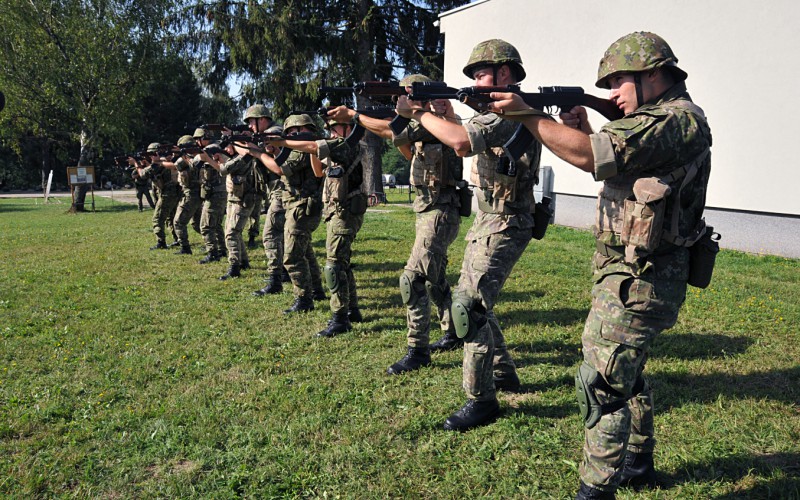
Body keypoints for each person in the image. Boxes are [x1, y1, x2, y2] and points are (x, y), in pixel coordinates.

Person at [487, 32, 713, 499]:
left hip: (643, 278)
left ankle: (597, 488)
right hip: (629, 271)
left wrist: (526, 114)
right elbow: (607, 160)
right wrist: (583, 128)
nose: (612, 94)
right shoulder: (652, 120)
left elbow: (592, 157)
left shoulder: (676, 119)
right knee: (627, 369)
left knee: (601, 380)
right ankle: (637, 460)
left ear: (652, 74)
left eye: (618, 82)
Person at [396, 39, 542, 431]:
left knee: (467, 306)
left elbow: (461, 142)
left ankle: (481, 401)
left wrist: (418, 114)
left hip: (507, 221)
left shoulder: (508, 113)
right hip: (490, 217)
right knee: (477, 300)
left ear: (505, 74)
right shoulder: (503, 112)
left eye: (482, 74)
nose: (476, 83)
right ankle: (504, 373)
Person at [330, 74, 466, 370]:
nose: (401, 102)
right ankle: (453, 330)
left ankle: (418, 350)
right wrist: (400, 123)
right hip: (426, 209)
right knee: (435, 277)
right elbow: (405, 148)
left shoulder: (440, 121)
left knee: (412, 277)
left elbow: (389, 130)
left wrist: (354, 115)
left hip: (442, 210)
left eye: (407, 96)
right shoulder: (420, 126)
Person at [246, 114, 326, 313]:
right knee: (304, 251)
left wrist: (260, 154)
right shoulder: (303, 147)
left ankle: (304, 299)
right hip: (299, 205)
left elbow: (281, 169)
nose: (291, 136)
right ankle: (316, 290)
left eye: (292, 133)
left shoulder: (303, 149)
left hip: (302, 206)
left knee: (292, 256)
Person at [253, 124, 290, 296]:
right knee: (285, 238)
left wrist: (259, 153)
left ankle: (276, 278)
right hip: (278, 197)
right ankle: (283, 273)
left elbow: (279, 169)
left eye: (271, 139)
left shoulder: (286, 154)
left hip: (283, 197)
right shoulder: (271, 154)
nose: (267, 143)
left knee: (270, 235)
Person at [195, 127, 228, 264]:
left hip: (215, 193)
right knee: (216, 224)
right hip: (217, 192)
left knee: (206, 225)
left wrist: (201, 156)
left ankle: (213, 253)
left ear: (204, 138)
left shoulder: (212, 148)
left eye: (198, 139)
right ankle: (221, 249)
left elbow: (196, 163)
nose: (196, 142)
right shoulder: (213, 147)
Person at [141, 143, 181, 250]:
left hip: (167, 194)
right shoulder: (166, 161)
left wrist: (138, 165)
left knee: (158, 219)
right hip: (174, 193)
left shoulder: (159, 163)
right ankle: (178, 239)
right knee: (170, 218)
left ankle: (161, 242)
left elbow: (143, 174)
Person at [172, 135, 204, 255]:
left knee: (179, 222)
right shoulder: (195, 158)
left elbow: (178, 165)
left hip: (191, 194)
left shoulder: (193, 159)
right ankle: (214, 243)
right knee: (197, 224)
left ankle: (185, 248)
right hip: (194, 194)